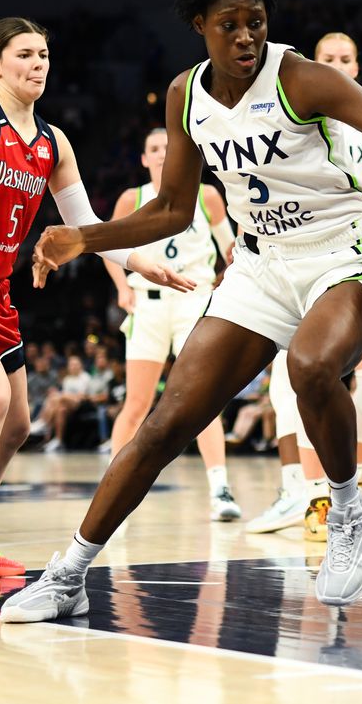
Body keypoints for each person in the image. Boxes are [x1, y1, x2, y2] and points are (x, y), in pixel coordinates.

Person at [0, 0, 362, 620]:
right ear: (200, 26)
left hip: (342, 259)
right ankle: (69, 574)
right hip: (260, 267)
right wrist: (85, 238)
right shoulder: (185, 96)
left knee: (311, 365)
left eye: (256, 23)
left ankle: (345, 511)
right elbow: (175, 208)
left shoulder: (301, 77)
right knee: (163, 422)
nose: (245, 37)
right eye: (230, 25)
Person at [0, 17, 193, 599]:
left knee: (20, 423)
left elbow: (85, 225)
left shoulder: (54, 142)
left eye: (44, 55)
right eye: (25, 55)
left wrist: (141, 261)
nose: (38, 64)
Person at [250, 31, 362, 540]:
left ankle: (349, 486)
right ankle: (311, 494)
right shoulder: (294, 117)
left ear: (358, 67)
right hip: (298, 254)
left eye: (346, 58)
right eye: (327, 59)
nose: (337, 65)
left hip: (359, 252)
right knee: (300, 378)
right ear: (312, 66)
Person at [102, 128, 242, 521]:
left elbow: (229, 249)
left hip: (192, 303)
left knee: (203, 401)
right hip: (147, 306)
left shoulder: (206, 195)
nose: (163, 153)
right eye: (154, 149)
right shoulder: (133, 199)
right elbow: (109, 246)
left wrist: (224, 282)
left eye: (168, 147)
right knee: (137, 404)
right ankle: (113, 489)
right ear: (144, 159)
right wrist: (121, 289)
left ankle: (220, 489)